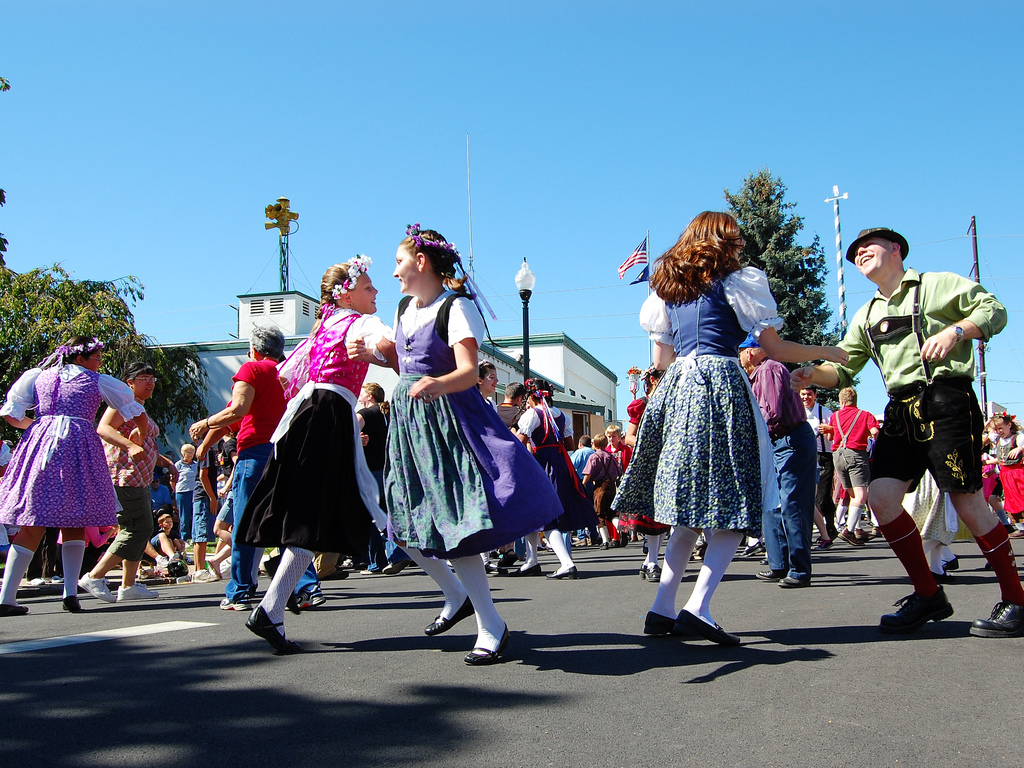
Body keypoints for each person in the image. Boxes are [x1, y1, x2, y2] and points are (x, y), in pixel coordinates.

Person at [612, 211, 846, 644]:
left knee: (686, 510)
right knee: (738, 500)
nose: (739, 245)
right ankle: (698, 607)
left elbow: (662, 362)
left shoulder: (668, 291)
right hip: (719, 383)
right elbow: (774, 346)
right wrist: (827, 349)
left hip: (679, 385)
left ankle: (661, 608)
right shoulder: (738, 282)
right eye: (734, 238)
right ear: (722, 240)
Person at [792, 226, 1024, 637]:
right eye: (854, 252)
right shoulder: (866, 316)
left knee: (968, 501)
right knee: (880, 500)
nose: (860, 253)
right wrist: (810, 374)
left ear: (895, 249)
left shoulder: (937, 285)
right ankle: (928, 594)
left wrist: (956, 331)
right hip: (899, 409)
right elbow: (843, 368)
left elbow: (994, 310)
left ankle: (1017, 600)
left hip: (947, 400)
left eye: (869, 246)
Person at [352, 224, 561, 665]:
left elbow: (467, 371)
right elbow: (405, 362)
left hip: (453, 422)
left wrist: (437, 383)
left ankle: (490, 625)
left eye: (399, 262)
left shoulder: (456, 307)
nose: (394, 273)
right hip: (414, 426)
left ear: (421, 262)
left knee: (462, 525)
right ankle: (484, 618)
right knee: (428, 524)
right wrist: (374, 357)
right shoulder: (406, 308)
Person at [236, 257, 389, 654]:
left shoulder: (324, 326)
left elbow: (294, 377)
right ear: (347, 293)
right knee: (322, 511)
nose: (375, 293)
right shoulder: (357, 322)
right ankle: (270, 610)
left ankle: (273, 605)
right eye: (369, 288)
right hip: (328, 413)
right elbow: (389, 343)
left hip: (309, 413)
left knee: (315, 511)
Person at [0, 337, 150, 615]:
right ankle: (70, 593)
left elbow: (11, 413)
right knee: (76, 517)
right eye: (96, 357)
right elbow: (132, 406)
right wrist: (139, 431)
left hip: (40, 446)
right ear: (80, 358)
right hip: (78, 446)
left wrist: (38, 427)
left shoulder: (38, 376)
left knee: (32, 521)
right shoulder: (97, 380)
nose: (100, 362)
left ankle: (6, 598)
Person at [190, 325, 290, 609]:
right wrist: (208, 441)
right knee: (285, 523)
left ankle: (241, 590)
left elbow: (237, 410)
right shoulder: (288, 374)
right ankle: (304, 587)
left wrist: (204, 424)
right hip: (283, 451)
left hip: (256, 454)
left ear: (255, 350)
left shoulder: (252, 370)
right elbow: (233, 419)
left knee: (244, 523)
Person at [79, 361, 173, 603]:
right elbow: (104, 428)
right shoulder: (122, 402)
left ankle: (128, 585)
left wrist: (166, 463)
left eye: (152, 378)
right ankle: (95, 576)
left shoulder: (137, 407)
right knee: (137, 528)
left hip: (139, 477)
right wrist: (130, 445)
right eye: (144, 378)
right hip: (125, 477)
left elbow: (145, 444)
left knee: (140, 528)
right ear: (129, 383)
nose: (150, 382)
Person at [740, 336, 817, 589]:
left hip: (790, 440)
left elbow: (770, 411)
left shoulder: (770, 369)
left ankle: (799, 569)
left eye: (740, 352)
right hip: (778, 442)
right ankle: (779, 564)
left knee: (792, 505)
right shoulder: (759, 373)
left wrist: (744, 431)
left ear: (750, 352)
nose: (739, 357)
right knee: (771, 504)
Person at [513, 378, 597, 579]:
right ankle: (531, 560)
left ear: (532, 396)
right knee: (533, 513)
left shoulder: (533, 414)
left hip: (542, 465)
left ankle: (566, 563)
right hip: (560, 463)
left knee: (546, 515)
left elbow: (519, 443)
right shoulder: (560, 415)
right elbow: (570, 444)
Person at [620, 365, 671, 576]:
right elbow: (629, 436)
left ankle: (651, 560)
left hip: (667, 462)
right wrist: (650, 443)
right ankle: (652, 562)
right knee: (650, 514)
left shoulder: (671, 403)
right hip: (648, 463)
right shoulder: (642, 404)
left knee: (662, 514)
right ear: (653, 380)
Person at [828, 387, 880, 546]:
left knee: (852, 494)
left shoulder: (834, 416)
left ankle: (857, 528)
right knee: (861, 495)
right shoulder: (864, 415)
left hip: (838, 456)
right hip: (856, 454)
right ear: (855, 401)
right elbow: (875, 431)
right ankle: (848, 530)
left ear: (841, 402)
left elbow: (830, 437)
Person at [800, 386, 838, 547]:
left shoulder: (825, 412)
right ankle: (827, 531)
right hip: (805, 457)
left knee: (821, 497)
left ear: (815, 395)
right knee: (813, 499)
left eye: (809, 394)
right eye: (803, 394)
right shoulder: (797, 411)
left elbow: (838, 433)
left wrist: (830, 430)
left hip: (824, 456)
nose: (806, 397)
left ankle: (828, 530)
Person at [581, 434, 620, 550]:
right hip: (611, 486)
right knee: (612, 513)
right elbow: (618, 471)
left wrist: (583, 484)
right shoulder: (611, 456)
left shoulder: (594, 457)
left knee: (599, 514)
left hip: (600, 487)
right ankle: (621, 530)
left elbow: (588, 472)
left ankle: (605, 541)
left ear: (595, 444)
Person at [174, 443, 197, 541]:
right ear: (183, 453)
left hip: (195, 491)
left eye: (192, 452)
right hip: (183, 492)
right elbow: (173, 480)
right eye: (188, 452)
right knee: (184, 516)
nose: (190, 454)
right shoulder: (178, 465)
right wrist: (175, 491)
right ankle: (184, 537)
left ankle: (195, 536)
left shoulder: (196, 464)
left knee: (195, 514)